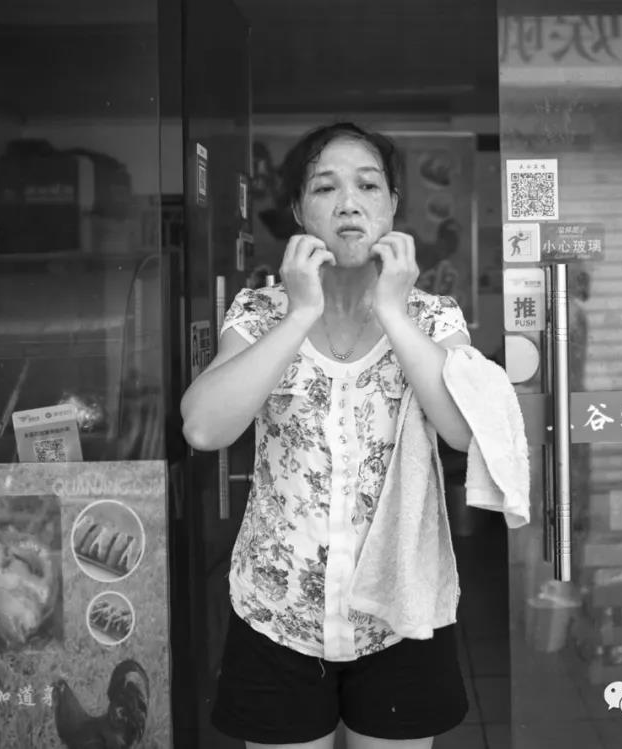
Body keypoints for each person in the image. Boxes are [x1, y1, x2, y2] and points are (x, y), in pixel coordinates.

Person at [180, 122, 472, 749]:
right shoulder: (259, 313)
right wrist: (301, 312)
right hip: (278, 611)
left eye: (368, 186)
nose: (348, 203)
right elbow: (203, 427)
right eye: (324, 187)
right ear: (298, 211)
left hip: (400, 614)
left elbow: (463, 432)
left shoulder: (432, 317)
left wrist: (392, 310)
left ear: (392, 205)